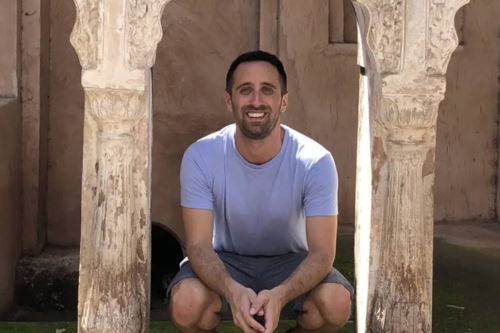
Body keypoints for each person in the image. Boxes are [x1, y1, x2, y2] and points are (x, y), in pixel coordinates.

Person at [167, 50, 354, 333]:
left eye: (267, 90)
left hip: (290, 262)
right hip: (224, 261)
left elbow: (322, 252)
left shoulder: (315, 160)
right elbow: (199, 246)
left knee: (336, 303)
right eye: (245, 90)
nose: (256, 101)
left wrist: (280, 295)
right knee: (186, 305)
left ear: (284, 101)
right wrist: (231, 289)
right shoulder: (201, 156)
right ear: (229, 100)